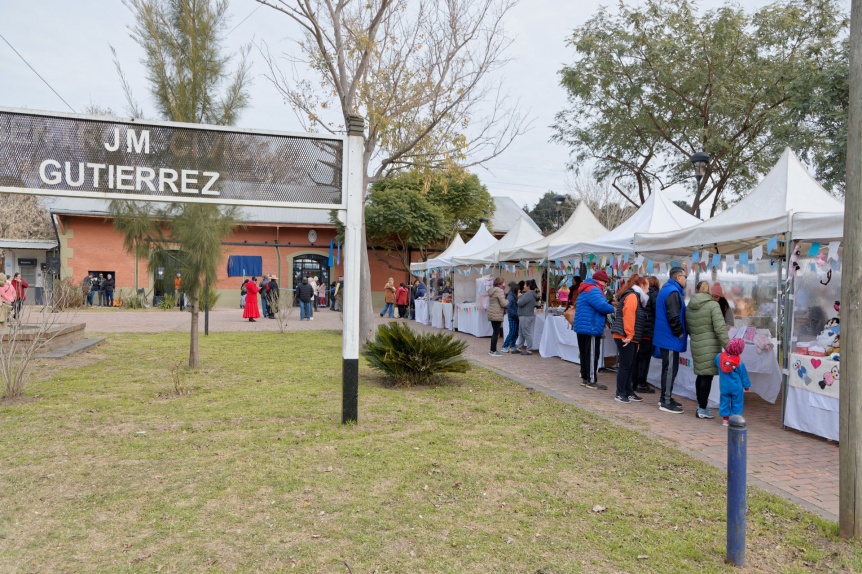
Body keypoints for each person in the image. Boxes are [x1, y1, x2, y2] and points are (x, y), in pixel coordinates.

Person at [686, 281, 731, 419]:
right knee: (707, 376)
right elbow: (720, 328)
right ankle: (702, 408)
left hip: (696, 344)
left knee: (701, 374)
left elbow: (688, 328)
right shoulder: (713, 305)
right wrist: (728, 346)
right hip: (710, 345)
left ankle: (701, 404)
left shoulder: (690, 306)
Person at [653, 266, 689, 414]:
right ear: (677, 277)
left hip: (667, 337)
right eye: (685, 276)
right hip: (670, 337)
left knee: (670, 369)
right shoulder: (672, 292)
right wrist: (679, 333)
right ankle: (665, 400)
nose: (686, 279)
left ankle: (666, 397)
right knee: (670, 369)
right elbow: (673, 316)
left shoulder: (668, 289)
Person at [573, 269, 615, 390]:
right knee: (592, 354)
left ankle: (585, 378)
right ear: (600, 281)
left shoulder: (585, 288)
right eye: (605, 283)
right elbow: (602, 306)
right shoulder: (594, 289)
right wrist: (614, 308)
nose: (605, 285)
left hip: (583, 326)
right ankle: (591, 380)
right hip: (590, 326)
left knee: (585, 354)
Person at [611, 274, 649, 403]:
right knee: (626, 366)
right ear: (642, 285)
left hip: (630, 336)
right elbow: (629, 316)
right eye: (647, 287)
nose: (648, 290)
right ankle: (620, 392)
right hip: (625, 336)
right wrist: (629, 335)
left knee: (630, 365)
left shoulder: (634, 296)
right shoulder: (632, 296)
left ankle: (628, 391)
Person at [633, 275, 660, 394]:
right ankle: (641, 383)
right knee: (644, 358)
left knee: (637, 358)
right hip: (648, 331)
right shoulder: (655, 294)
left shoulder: (639, 293)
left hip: (639, 330)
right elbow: (657, 312)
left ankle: (634, 381)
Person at [715, 338, 751, 426]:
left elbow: (716, 362)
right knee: (737, 402)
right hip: (736, 387)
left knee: (724, 401)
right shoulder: (739, 362)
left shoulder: (719, 357)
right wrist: (746, 386)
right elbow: (744, 375)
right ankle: (735, 419)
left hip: (724, 386)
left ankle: (725, 420)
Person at [516, 279, 540, 355]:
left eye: (525, 285)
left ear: (528, 286)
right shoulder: (530, 293)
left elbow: (520, 303)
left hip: (525, 315)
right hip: (525, 315)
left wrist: (519, 297)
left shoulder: (528, 294)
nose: (523, 286)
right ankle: (519, 347)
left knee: (525, 333)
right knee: (522, 333)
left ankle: (529, 349)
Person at [486, 277, 507, 356]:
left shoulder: (493, 290)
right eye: (504, 282)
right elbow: (503, 303)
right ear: (501, 283)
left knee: (495, 332)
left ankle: (492, 350)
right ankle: (493, 350)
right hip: (496, 313)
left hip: (492, 313)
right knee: (496, 332)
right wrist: (508, 301)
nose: (505, 284)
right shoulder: (500, 291)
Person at [501, 281, 520, 353]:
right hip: (512, 317)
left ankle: (512, 345)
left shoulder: (514, 296)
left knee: (516, 332)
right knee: (512, 332)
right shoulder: (510, 296)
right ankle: (505, 346)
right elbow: (509, 307)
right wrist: (515, 314)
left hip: (516, 317)